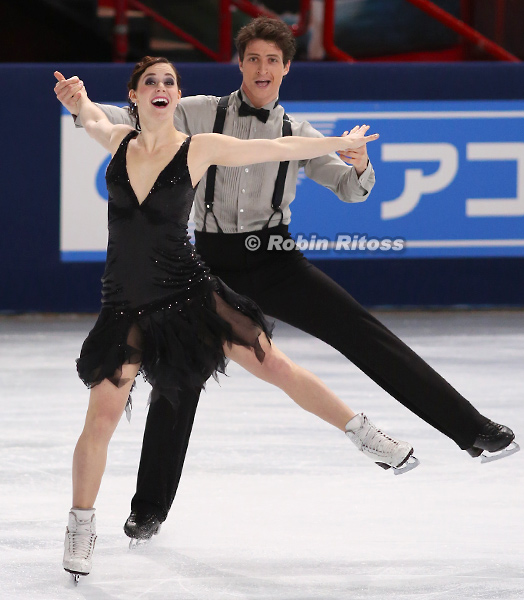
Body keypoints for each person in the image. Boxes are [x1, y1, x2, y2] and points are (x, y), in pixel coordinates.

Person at [55, 17, 518, 549]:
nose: (262, 69)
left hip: (273, 258)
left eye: (272, 61)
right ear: (240, 64)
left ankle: (470, 429)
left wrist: (360, 162)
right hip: (205, 262)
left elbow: (351, 189)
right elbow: (128, 120)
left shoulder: (301, 134)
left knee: (360, 330)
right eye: (253, 58)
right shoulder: (198, 110)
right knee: (178, 379)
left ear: (286, 69)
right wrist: (81, 105)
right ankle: (148, 512)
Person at [56, 56, 420, 581]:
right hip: (126, 305)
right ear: (134, 96)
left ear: (177, 97)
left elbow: (275, 147)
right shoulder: (117, 141)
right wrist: (79, 98)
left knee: (275, 366)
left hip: (188, 294)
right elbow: (89, 114)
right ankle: (81, 524)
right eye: (150, 82)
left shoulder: (198, 148)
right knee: (103, 419)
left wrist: (336, 145)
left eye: (170, 82)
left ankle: (363, 433)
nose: (161, 88)